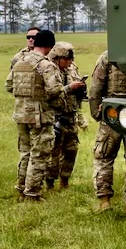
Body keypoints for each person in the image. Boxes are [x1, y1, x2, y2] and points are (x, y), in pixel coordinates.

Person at [7, 29, 73, 201]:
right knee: (39, 154)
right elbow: (54, 90)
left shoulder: (20, 61)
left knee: (25, 153)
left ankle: (21, 187)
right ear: (50, 46)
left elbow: (9, 85)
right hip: (39, 116)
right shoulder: (46, 65)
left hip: (20, 114)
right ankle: (32, 193)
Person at [89, 50, 126, 213]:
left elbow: (96, 86)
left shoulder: (109, 55)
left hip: (112, 113)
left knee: (104, 156)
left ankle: (104, 200)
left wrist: (97, 113)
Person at [45, 41, 87, 191]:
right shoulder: (48, 70)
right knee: (53, 153)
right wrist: (69, 88)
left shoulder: (72, 68)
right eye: (66, 59)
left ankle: (65, 180)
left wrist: (81, 88)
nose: (69, 62)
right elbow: (50, 93)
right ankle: (50, 182)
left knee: (71, 150)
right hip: (55, 117)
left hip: (71, 116)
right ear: (57, 58)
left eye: (71, 59)